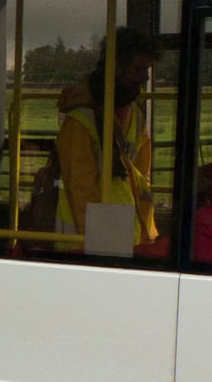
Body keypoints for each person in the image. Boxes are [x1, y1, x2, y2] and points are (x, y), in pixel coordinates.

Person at [55, 27, 161, 249]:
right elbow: (81, 188)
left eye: (148, 69)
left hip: (126, 231)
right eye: (139, 68)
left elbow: (141, 177)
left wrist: (144, 232)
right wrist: (95, 244)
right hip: (88, 241)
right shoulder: (80, 120)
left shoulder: (135, 115)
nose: (145, 77)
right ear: (115, 67)